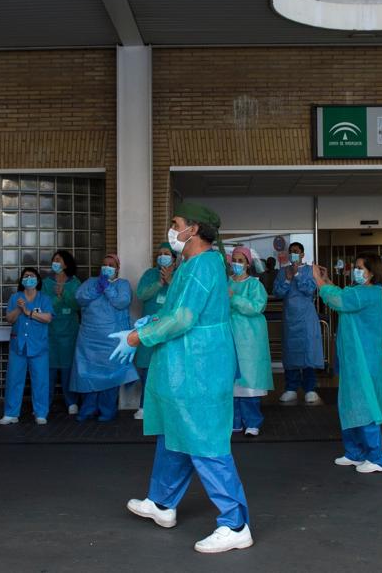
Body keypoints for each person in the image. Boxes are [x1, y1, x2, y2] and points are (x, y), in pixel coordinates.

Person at [115, 202, 253, 553]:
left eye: (176, 223)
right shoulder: (192, 265)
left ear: (193, 229)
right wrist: (149, 321)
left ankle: (235, 523)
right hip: (186, 365)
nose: (172, 230)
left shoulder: (203, 265)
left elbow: (183, 318)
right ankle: (162, 503)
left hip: (200, 368)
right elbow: (174, 311)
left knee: (205, 442)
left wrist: (139, 337)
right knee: (175, 433)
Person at [315, 256, 382, 473]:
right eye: (355, 267)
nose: (355, 271)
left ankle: (377, 458)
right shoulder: (361, 292)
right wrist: (327, 280)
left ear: (371, 272)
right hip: (354, 359)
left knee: (365, 405)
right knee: (350, 403)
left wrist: (318, 282)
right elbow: (344, 295)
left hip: (364, 359)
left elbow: (339, 300)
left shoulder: (369, 293)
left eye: (359, 268)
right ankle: (355, 452)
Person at [71, 253, 136, 421]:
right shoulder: (91, 282)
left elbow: (122, 302)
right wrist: (97, 289)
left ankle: (107, 411)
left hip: (111, 338)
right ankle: (88, 409)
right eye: (105, 264)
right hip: (89, 337)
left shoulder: (122, 284)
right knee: (88, 373)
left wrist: (107, 288)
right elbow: (79, 298)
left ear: (118, 268)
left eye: (111, 265)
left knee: (110, 374)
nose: (107, 267)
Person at [0, 267, 53, 425]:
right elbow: (9, 319)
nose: (29, 278)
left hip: (39, 346)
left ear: (37, 279)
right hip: (18, 346)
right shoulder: (15, 297)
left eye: (32, 276)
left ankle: (41, 413)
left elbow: (48, 318)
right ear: (22, 280)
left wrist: (29, 312)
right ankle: (11, 413)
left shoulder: (44, 298)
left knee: (40, 380)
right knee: (14, 380)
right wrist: (19, 308)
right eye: (26, 276)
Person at [229, 246, 272, 436]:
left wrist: (234, 298)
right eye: (234, 260)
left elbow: (256, 307)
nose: (237, 264)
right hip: (229, 337)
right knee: (231, 381)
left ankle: (253, 422)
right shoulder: (226, 283)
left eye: (241, 260)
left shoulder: (254, 285)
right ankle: (235, 420)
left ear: (248, 263)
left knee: (249, 381)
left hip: (250, 340)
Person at [273, 241, 323, 405]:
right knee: (291, 351)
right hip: (290, 318)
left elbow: (309, 290)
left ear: (302, 254)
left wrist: (297, 275)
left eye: (296, 251)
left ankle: (310, 388)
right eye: (291, 251)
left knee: (308, 350)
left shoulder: (309, 270)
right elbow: (278, 292)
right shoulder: (282, 271)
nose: (293, 254)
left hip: (307, 317)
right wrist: (288, 279)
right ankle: (291, 388)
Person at [133, 242, 175, 419]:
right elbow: (141, 294)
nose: (162, 256)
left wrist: (170, 281)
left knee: (169, 368)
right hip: (150, 327)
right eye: (160, 254)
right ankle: (144, 406)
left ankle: (167, 409)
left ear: (174, 259)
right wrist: (159, 283)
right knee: (147, 368)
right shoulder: (150, 274)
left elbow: (183, 297)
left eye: (167, 253)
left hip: (170, 329)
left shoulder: (180, 275)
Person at [44, 250, 82, 414]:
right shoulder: (46, 283)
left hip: (69, 331)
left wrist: (64, 294)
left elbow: (77, 305)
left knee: (68, 368)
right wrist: (57, 299)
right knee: (49, 368)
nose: (55, 262)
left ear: (66, 264)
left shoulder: (75, 283)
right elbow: (44, 305)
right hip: (50, 331)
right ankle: (45, 402)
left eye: (58, 260)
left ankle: (71, 401)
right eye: (54, 260)